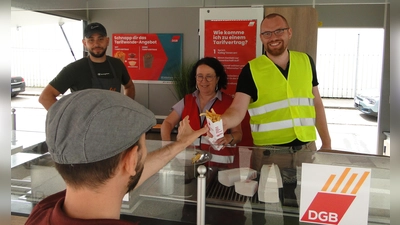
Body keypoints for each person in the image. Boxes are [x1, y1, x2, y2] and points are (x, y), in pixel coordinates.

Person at [25, 89, 207, 225]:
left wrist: (179, 144)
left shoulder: (42, 211)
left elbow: (122, 175)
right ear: (131, 161)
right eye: (143, 147)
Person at [161, 57, 243, 169]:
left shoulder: (229, 103)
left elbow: (238, 134)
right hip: (190, 166)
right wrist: (167, 147)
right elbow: (167, 123)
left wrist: (229, 138)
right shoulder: (187, 100)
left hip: (220, 168)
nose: (204, 81)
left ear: (217, 78)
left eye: (209, 77)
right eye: (200, 76)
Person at [39, 22, 135, 110]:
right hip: (86, 128)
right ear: (85, 43)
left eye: (100, 39)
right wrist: (69, 120)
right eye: (91, 40)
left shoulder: (117, 64)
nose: (96, 44)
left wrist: (125, 108)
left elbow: (129, 86)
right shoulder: (74, 69)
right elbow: (45, 97)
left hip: (114, 125)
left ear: (107, 41)